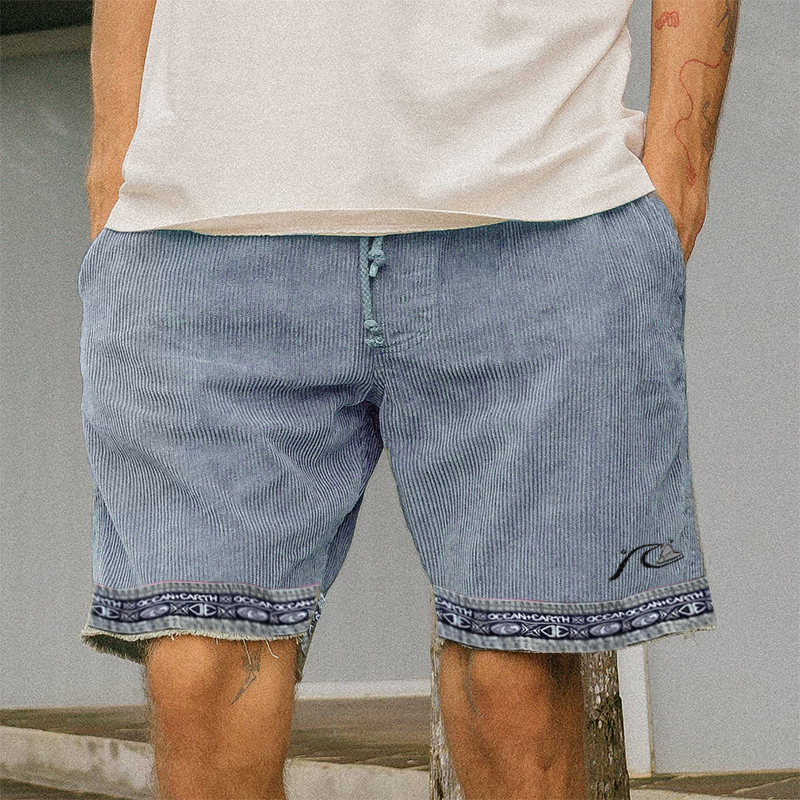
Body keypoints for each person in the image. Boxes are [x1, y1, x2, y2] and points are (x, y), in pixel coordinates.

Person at [78, 1, 737, 798]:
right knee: (198, 679)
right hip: (203, 216)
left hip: (541, 194)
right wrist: (113, 163)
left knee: (516, 690)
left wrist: (680, 170)